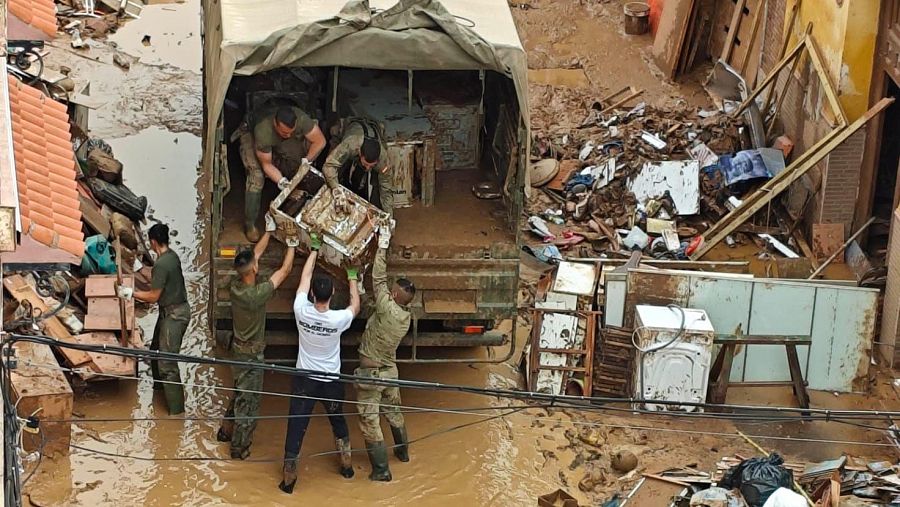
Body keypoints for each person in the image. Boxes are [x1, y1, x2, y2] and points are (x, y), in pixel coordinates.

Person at [279, 233, 361, 494]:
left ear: (312, 294)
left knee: (296, 424)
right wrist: (352, 277)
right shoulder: (337, 320)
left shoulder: (300, 311)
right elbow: (355, 307)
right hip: (330, 382)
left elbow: (304, 279)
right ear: (332, 294)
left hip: (304, 380)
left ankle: (289, 479)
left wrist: (314, 249)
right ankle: (347, 466)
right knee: (338, 419)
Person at [217, 214, 297, 459]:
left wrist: (269, 231)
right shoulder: (256, 295)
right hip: (252, 356)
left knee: (240, 391)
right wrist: (292, 245)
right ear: (253, 270)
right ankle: (239, 449)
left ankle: (225, 431)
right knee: (249, 404)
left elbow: (256, 255)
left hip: (238, 351)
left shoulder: (237, 286)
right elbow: (284, 271)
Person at [354, 224, 415, 481]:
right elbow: (377, 311)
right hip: (390, 372)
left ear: (393, 294)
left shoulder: (386, 306)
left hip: (372, 374)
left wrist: (383, 244)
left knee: (370, 422)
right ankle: (403, 453)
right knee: (394, 413)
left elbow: (377, 277)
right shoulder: (404, 317)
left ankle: (381, 471)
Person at [119, 223, 190, 415]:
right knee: (156, 351)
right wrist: (141, 268)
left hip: (174, 316)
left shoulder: (161, 264)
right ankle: (160, 391)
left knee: (167, 363)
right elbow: (159, 278)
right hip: (173, 310)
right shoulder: (171, 256)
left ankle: (177, 413)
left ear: (152, 242)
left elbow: (153, 297)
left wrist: (130, 293)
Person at [238, 105, 326, 242]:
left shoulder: (301, 119)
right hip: (251, 132)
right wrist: (283, 183)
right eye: (285, 133)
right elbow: (266, 164)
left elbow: (320, 141)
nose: (289, 135)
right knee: (257, 177)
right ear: (275, 124)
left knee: (295, 161)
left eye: (292, 132)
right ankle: (250, 225)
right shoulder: (263, 131)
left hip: (277, 137)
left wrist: (306, 162)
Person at [322, 117, 393, 216]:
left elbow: (386, 189)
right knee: (333, 174)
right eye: (366, 164)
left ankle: (373, 214)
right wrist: (337, 190)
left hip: (373, 127)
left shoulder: (383, 159)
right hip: (347, 133)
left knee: (377, 183)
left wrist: (389, 215)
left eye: (371, 165)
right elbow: (328, 166)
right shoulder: (350, 144)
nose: (368, 168)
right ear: (360, 153)